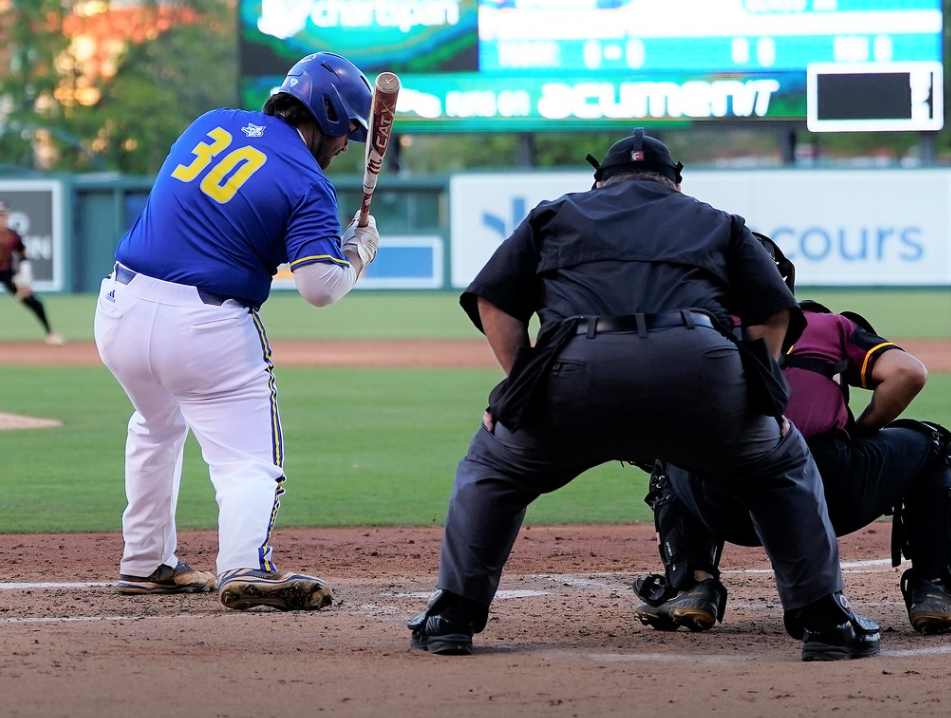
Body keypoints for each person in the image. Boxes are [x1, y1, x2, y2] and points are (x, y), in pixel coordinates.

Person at [407, 128, 879, 661]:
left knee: (494, 469)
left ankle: (453, 614)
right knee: (781, 465)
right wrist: (763, 396)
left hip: (577, 370)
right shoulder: (715, 219)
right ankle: (824, 619)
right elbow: (775, 310)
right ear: (674, 182)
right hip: (699, 369)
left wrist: (520, 388)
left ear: (598, 180)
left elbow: (493, 300)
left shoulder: (554, 213)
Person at [94, 52, 380, 610]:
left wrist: (336, 250)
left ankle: (145, 560)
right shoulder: (308, 182)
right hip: (205, 325)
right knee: (247, 460)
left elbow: (220, 224)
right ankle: (247, 563)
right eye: (347, 127)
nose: (348, 142)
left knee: (155, 427)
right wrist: (356, 254)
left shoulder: (211, 122)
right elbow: (319, 288)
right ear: (324, 114)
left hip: (120, 307)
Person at [632, 235, 951, 637]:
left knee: (675, 451)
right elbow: (908, 373)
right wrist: (857, 432)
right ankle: (933, 588)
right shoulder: (828, 325)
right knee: (932, 446)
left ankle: (694, 586)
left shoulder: (694, 332)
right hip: (829, 496)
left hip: (729, 503)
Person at [0, 200, 65, 346]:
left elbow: (23, 256)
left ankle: (50, 333)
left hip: (6, 272)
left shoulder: (13, 237)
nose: (1, 219)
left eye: (3, 215)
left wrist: (25, 276)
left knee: (33, 301)